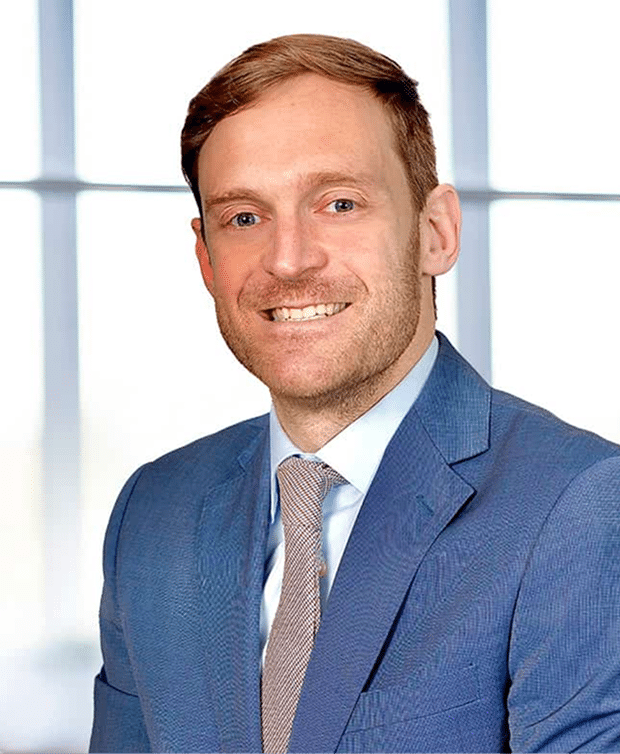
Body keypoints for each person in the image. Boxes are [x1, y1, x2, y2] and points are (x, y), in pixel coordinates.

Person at [89, 34, 620, 754]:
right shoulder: (152, 515)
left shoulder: (580, 507)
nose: (288, 260)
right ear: (205, 257)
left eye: (339, 203)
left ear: (435, 233)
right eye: (244, 217)